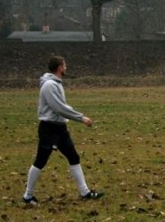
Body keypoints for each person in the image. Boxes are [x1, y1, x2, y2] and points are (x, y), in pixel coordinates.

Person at [21, 56, 103, 205]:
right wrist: (81, 118)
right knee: (40, 161)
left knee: (74, 157)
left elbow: (62, 107)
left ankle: (85, 192)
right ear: (59, 67)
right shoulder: (49, 85)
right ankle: (28, 195)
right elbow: (59, 108)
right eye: (64, 65)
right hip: (49, 128)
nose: (66, 68)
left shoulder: (56, 84)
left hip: (60, 128)